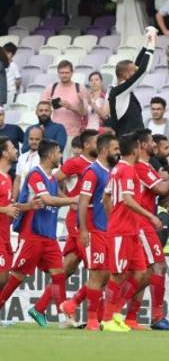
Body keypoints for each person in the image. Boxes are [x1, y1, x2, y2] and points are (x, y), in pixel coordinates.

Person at [0, 140, 76, 325]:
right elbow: (48, 200)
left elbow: (55, 194)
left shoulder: (50, 178)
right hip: (32, 234)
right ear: (50, 155)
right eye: (59, 152)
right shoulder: (35, 175)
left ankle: (65, 318)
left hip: (49, 236)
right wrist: (74, 199)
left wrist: (72, 201)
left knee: (59, 274)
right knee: (17, 276)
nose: (61, 156)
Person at [31, 130, 99, 325]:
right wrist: (68, 200)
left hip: (91, 220)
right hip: (79, 221)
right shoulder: (76, 163)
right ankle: (94, 314)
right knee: (99, 268)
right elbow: (52, 181)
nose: (99, 144)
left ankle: (39, 307)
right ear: (87, 145)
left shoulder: (98, 165)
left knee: (65, 269)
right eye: (96, 142)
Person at [101, 133, 162, 332]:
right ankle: (107, 319)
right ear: (135, 149)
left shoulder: (118, 168)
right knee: (117, 275)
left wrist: (113, 217)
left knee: (141, 272)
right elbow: (127, 199)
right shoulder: (126, 170)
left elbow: (106, 197)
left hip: (131, 230)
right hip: (122, 231)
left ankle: (117, 314)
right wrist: (150, 216)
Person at [65, 133, 120, 330]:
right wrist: (83, 230)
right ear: (105, 150)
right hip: (93, 230)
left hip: (106, 229)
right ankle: (92, 321)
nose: (118, 152)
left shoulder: (110, 171)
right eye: (115, 149)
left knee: (105, 275)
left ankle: (72, 303)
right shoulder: (92, 172)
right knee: (97, 275)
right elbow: (83, 201)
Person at [132, 129, 169, 330]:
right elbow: (162, 189)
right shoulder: (141, 168)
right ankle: (155, 317)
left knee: (143, 273)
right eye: (152, 142)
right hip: (142, 223)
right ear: (143, 145)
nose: (155, 145)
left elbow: (161, 195)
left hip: (146, 222)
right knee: (158, 267)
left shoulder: (148, 168)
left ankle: (128, 316)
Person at [108, 28, 156, 136]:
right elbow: (143, 70)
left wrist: (146, 43)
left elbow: (138, 66)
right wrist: (152, 42)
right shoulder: (117, 92)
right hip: (128, 143)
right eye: (133, 72)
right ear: (124, 74)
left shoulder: (122, 90)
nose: (135, 73)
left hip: (134, 141)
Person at [41, 60, 88, 156]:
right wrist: (49, 105)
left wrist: (71, 107)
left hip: (72, 133)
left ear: (72, 73)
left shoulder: (80, 88)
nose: (64, 75)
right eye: (61, 73)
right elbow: (41, 109)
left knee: (69, 164)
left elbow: (84, 113)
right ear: (58, 73)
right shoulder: (51, 88)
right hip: (54, 133)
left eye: (67, 72)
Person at [0, 138, 24, 292]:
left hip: (5, 235)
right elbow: (5, 208)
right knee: (2, 278)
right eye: (13, 147)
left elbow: (7, 205)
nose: (16, 150)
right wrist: (5, 210)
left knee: (4, 280)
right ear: (4, 152)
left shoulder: (7, 177)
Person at [13, 126, 43, 198]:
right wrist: (13, 200)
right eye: (31, 139)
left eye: (37, 139)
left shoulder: (46, 157)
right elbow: (17, 180)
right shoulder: (22, 157)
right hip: (22, 201)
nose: (34, 142)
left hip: (39, 201)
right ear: (27, 139)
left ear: (42, 140)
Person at [0, 106, 23, 177]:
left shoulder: (15, 129)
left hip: (14, 168)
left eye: (0, 114)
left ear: (4, 115)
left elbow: (27, 144)